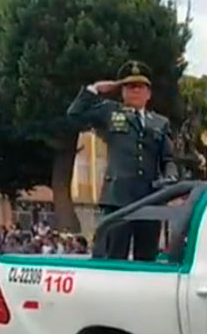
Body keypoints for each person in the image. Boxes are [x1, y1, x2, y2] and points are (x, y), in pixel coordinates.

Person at [68, 60, 178, 260]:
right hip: (118, 199)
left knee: (146, 258)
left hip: (149, 198)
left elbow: (168, 158)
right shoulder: (111, 112)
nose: (135, 91)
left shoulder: (160, 122)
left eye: (140, 87)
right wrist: (94, 90)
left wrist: (170, 176)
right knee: (114, 256)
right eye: (129, 87)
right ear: (122, 92)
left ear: (148, 93)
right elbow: (75, 115)